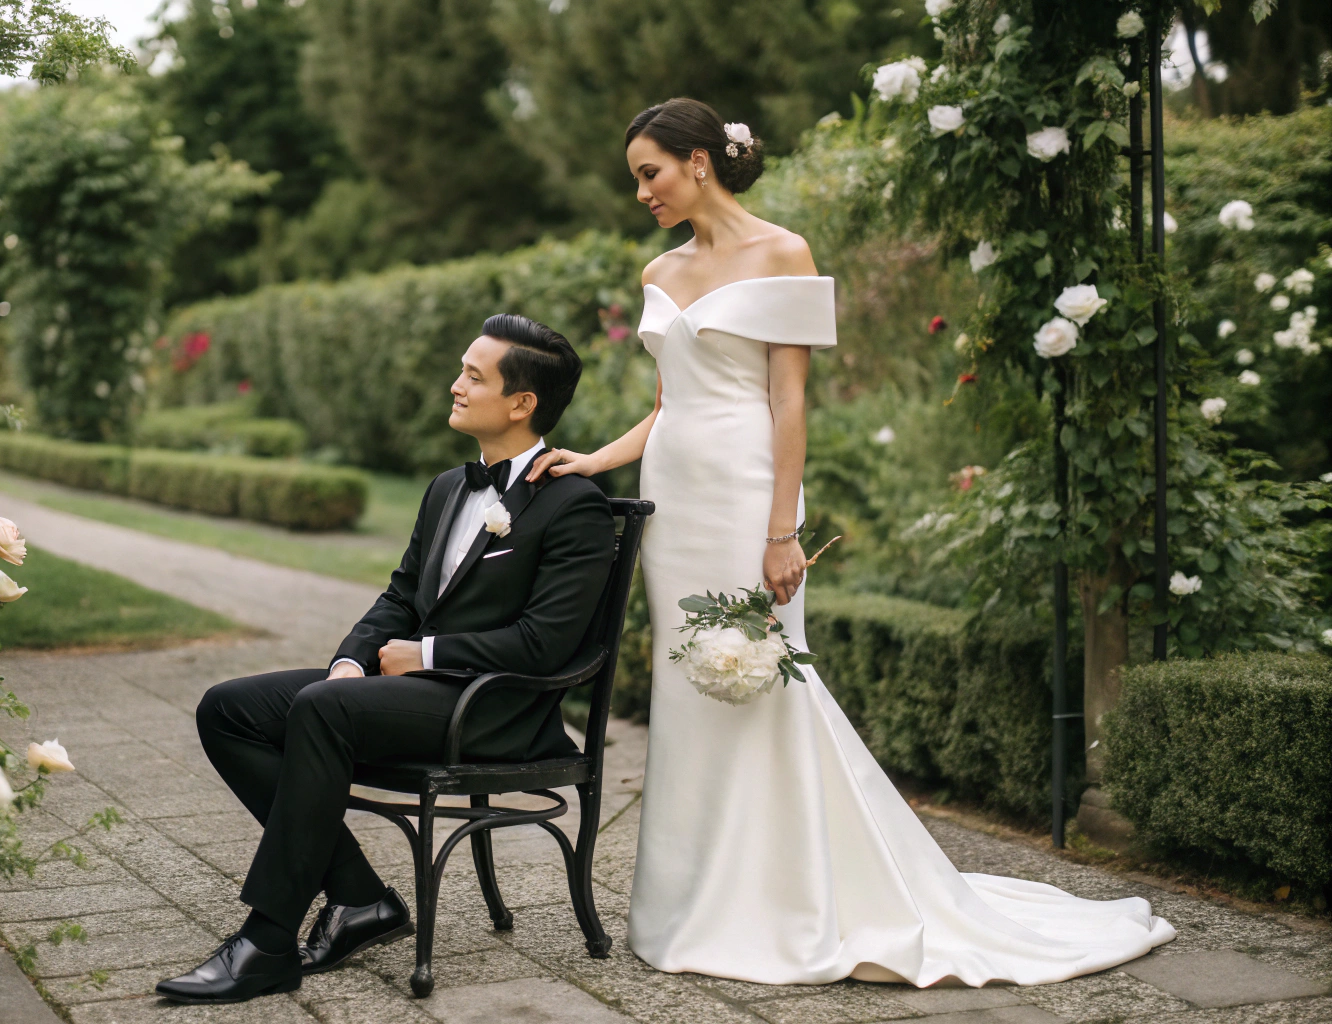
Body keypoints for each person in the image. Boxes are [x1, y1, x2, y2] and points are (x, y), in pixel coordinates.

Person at [526, 97, 1175, 987]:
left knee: (765, 676)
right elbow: (671, 399)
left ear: (700, 161)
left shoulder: (783, 252)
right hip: (672, 495)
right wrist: (595, 460)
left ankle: (795, 899)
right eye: (637, 177)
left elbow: (789, 401)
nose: (642, 191)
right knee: (693, 684)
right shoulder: (659, 269)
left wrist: (781, 529)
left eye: (652, 172)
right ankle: (694, 900)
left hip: (748, 490)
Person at [156, 314, 617, 1004]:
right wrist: (353, 657)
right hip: (415, 696)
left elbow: (547, 643)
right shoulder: (446, 489)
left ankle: (267, 941)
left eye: (473, 375)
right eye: (462, 369)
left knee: (323, 710)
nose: (455, 385)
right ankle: (360, 896)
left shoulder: (574, 505)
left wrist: (429, 652)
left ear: (522, 403)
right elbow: (401, 595)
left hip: (493, 708)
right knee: (229, 709)